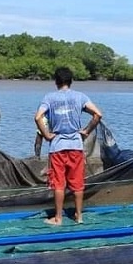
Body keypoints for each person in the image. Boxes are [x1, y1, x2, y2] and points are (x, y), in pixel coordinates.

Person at [34, 67, 103, 226]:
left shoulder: (49, 98)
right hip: (76, 147)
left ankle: (58, 218)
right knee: (77, 183)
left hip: (57, 147)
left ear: (56, 81)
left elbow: (38, 117)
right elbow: (98, 114)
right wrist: (86, 131)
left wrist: (46, 135)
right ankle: (78, 216)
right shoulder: (80, 96)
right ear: (71, 81)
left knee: (59, 184)